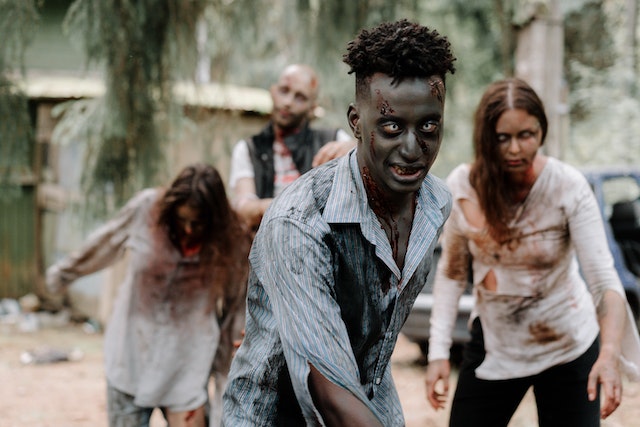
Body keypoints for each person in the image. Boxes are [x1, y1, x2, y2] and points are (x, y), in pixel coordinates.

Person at [222, 19, 456, 426]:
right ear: (355, 121)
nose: (412, 148)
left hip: (366, 403)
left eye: (429, 126)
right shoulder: (298, 222)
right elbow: (330, 393)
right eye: (392, 126)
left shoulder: (435, 203)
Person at [425, 78, 640, 427]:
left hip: (568, 344)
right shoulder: (464, 186)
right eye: (502, 138)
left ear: (542, 131)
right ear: (485, 138)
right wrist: (437, 353)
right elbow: (451, 274)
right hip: (496, 343)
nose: (515, 149)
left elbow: (604, 280)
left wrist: (610, 352)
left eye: (526, 135)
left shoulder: (567, 186)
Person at [46, 163, 251, 427]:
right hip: (131, 355)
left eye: (198, 223)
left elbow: (234, 315)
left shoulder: (232, 239)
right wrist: (64, 274)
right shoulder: (146, 209)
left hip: (187, 364)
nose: (189, 230)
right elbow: (104, 242)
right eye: (182, 220)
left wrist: (224, 383)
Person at [228, 63, 355, 229]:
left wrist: (354, 149)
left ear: (312, 108)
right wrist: (287, 206)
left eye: (300, 97)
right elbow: (244, 209)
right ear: (273, 92)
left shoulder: (334, 141)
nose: (288, 102)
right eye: (284, 91)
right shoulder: (248, 149)